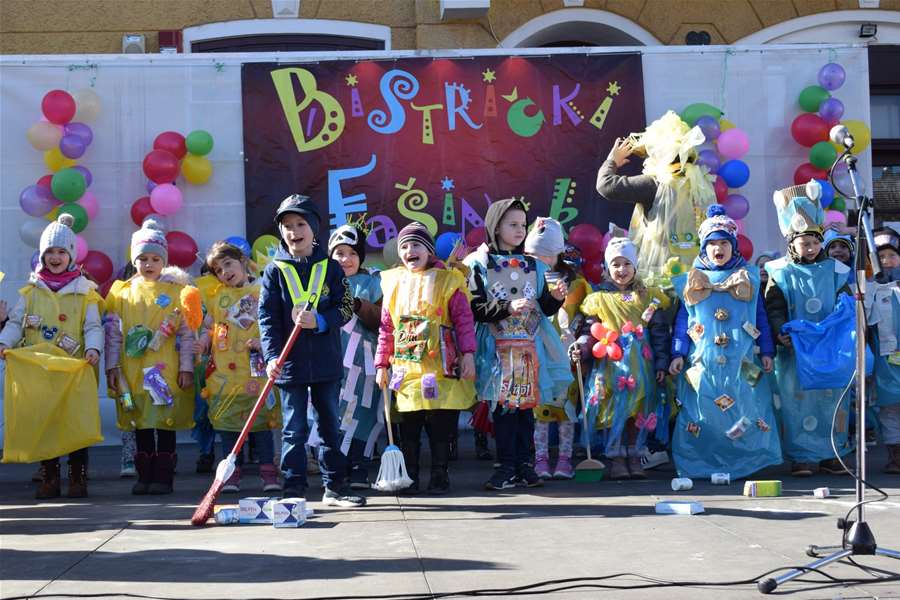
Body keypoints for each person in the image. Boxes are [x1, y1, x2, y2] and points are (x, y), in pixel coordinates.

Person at [258, 194, 366, 507]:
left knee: (330, 424)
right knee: (294, 429)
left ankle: (336, 487)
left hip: (326, 361)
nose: (294, 231)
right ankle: (292, 490)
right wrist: (271, 357)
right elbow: (267, 320)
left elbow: (345, 308)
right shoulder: (274, 271)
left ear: (314, 228)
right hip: (289, 364)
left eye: (300, 224)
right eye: (287, 226)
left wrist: (319, 320)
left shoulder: (331, 268)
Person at [464, 199, 572, 490]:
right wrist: (507, 307)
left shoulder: (533, 265)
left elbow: (542, 306)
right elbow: (472, 307)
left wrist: (557, 298)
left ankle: (525, 465)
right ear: (495, 226)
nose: (519, 230)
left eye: (522, 225)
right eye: (512, 224)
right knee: (503, 409)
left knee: (525, 408)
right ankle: (506, 465)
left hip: (528, 348)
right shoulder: (478, 263)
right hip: (496, 349)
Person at [668, 205, 781, 479]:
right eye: (712, 244)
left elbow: (761, 316)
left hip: (741, 361)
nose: (718, 249)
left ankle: (746, 460)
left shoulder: (748, 277)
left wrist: (766, 349)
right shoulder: (693, 280)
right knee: (702, 408)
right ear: (704, 248)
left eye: (724, 243)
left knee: (745, 406)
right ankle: (702, 460)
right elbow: (683, 321)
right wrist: (678, 352)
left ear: (733, 246)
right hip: (702, 362)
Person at [0, 215, 103, 498]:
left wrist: (93, 348)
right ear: (42, 255)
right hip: (42, 370)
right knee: (46, 421)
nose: (55, 257)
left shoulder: (85, 293)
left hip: (72, 370)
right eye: (50, 252)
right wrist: (4, 342)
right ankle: (50, 476)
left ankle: (78, 476)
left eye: (61, 251)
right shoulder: (32, 291)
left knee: (73, 421)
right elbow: (15, 322)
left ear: (71, 255)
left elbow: (92, 326)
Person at [374, 222, 477, 494]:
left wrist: (468, 354)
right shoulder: (394, 283)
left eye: (416, 245)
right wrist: (382, 364)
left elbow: (464, 320)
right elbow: (386, 328)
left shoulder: (448, 281)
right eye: (405, 246)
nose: (410, 250)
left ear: (429, 250)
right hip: (407, 369)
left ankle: (440, 473)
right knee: (409, 426)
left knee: (441, 425)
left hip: (442, 367)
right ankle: (409, 476)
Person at [765, 182, 852, 477]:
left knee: (833, 401)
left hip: (829, 349)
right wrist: (780, 330)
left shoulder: (837, 271)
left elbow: (846, 304)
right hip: (795, 351)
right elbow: (774, 306)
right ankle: (801, 456)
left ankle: (833, 453)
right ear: (793, 243)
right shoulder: (780, 272)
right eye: (805, 243)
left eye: (816, 243)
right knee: (795, 401)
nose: (812, 248)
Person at [104, 218, 195, 494]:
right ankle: (144, 477)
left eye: (156, 258)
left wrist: (187, 366)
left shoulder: (178, 291)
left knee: (164, 423)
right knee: (140, 422)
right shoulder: (122, 293)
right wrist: (112, 367)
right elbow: (113, 334)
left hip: (166, 370)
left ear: (164, 261)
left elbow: (188, 332)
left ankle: (164, 478)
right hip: (132, 372)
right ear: (134, 260)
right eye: (143, 258)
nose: (149, 264)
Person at [571, 237, 671, 479]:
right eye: (615, 264)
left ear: (635, 267)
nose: (621, 270)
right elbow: (589, 332)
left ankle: (635, 456)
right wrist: (582, 350)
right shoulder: (599, 298)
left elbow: (659, 334)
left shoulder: (648, 297)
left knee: (638, 411)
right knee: (614, 410)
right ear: (607, 268)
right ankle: (616, 457)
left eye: (627, 264)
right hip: (611, 366)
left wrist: (661, 363)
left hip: (642, 366)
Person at [197, 241, 282, 493]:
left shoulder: (262, 290)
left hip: (255, 370)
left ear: (243, 262)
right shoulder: (217, 298)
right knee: (228, 426)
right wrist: (202, 342)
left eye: (228, 264)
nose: (225, 272)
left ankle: (269, 475)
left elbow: (274, 325)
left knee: (262, 425)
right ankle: (231, 475)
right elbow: (208, 326)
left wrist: (264, 345)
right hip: (225, 375)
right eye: (218, 270)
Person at [596, 111, 716, 287]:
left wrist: (611, 161)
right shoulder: (702, 182)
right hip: (698, 279)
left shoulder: (655, 184)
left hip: (660, 280)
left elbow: (605, 186)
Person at [524, 218, 582, 480]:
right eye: (534, 254)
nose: (540, 259)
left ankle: (565, 458)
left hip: (565, 353)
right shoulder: (523, 277)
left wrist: (581, 341)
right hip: (534, 351)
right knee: (541, 410)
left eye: (546, 254)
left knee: (566, 408)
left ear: (557, 253)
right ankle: (540, 458)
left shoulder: (576, 284)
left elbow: (586, 315)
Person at [329, 224, 385, 490]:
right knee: (336, 415)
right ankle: (336, 470)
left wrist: (360, 305)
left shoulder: (374, 282)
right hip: (331, 363)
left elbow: (384, 320)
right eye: (339, 253)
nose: (345, 259)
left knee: (364, 414)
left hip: (366, 364)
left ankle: (360, 468)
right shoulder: (323, 283)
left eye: (352, 253)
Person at [866, 241, 900, 473]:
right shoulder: (869, 290)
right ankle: (896, 456)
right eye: (881, 256)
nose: (886, 260)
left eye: (891, 255)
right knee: (889, 408)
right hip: (884, 360)